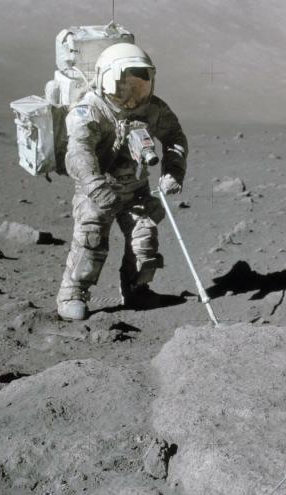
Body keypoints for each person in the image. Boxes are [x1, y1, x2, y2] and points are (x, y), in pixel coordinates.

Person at [56, 42, 188, 321]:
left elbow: (174, 137)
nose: (132, 97)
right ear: (106, 80)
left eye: (139, 87)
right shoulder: (89, 110)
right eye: (124, 87)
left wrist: (173, 172)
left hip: (135, 189)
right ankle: (72, 293)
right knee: (91, 239)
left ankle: (137, 289)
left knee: (145, 238)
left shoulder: (152, 109)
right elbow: (79, 151)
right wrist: (96, 186)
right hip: (97, 190)